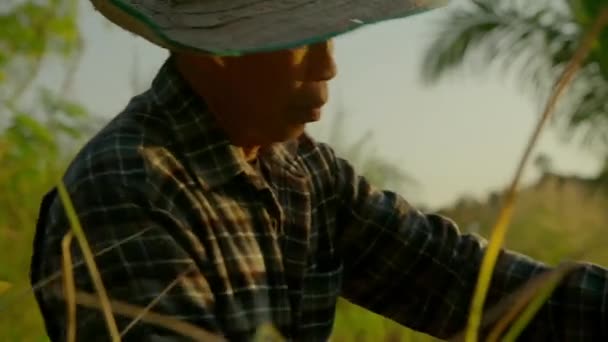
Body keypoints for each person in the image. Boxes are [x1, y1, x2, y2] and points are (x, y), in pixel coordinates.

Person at [29, 0, 608, 341]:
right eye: (302, 40)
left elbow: (454, 277)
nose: (329, 64)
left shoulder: (304, 172)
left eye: (326, 34)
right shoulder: (125, 195)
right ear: (216, 50)